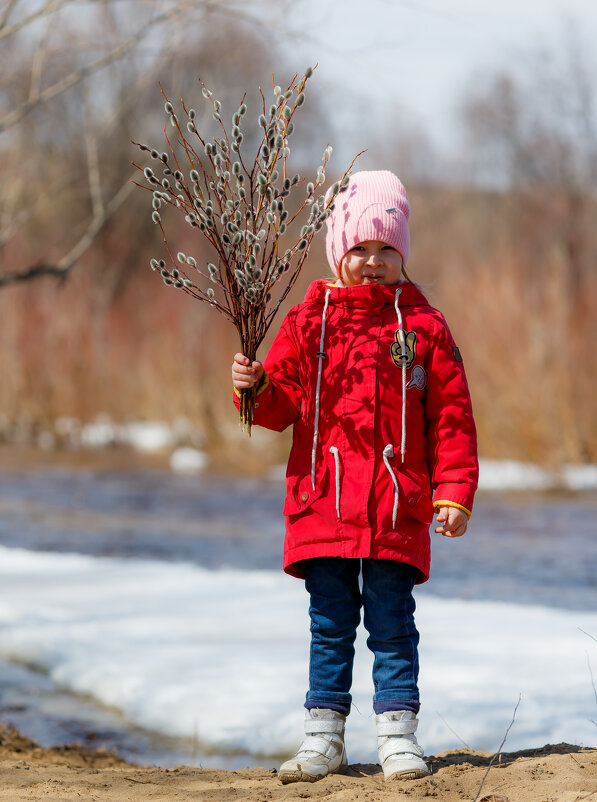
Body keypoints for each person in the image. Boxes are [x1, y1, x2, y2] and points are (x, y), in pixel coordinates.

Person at [231, 170, 478, 784]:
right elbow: (282, 406)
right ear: (339, 252)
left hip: (398, 505)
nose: (373, 262)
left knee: (393, 624)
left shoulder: (423, 328)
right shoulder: (310, 323)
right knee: (330, 624)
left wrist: (454, 491)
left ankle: (398, 736)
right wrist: (255, 389)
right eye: (360, 249)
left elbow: (451, 417)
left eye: (387, 250)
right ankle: (324, 738)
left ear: (404, 255)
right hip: (325, 504)